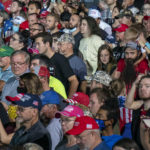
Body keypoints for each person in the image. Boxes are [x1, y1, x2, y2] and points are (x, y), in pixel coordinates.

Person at [35, 32, 79, 98]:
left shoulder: (60, 59)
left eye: (38, 44)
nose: (36, 47)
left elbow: (74, 81)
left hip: (59, 98)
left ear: (47, 44)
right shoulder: (38, 59)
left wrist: (68, 100)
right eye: (36, 44)